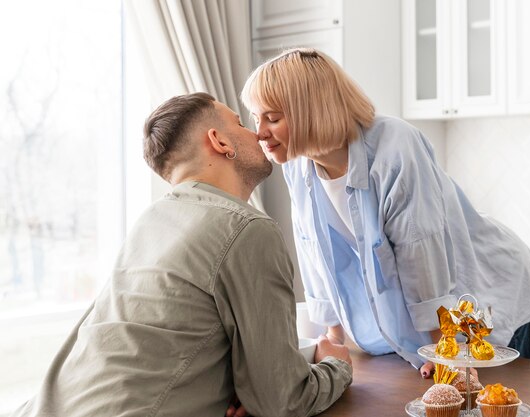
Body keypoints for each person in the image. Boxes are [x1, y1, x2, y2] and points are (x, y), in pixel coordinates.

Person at [240, 48, 530, 375]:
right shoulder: (299, 166)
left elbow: (421, 254)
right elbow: (316, 254)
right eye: (257, 118)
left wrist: (445, 351)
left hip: (484, 292)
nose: (260, 132)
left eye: (273, 118)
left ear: (312, 110)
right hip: (434, 325)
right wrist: (332, 341)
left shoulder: (392, 146)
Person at [11, 92, 353, 417]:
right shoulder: (247, 229)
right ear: (219, 141)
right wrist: (337, 364)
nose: (258, 134)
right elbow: (282, 401)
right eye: (241, 124)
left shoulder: (151, 222)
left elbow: (164, 339)